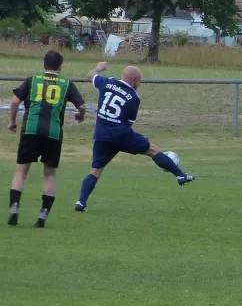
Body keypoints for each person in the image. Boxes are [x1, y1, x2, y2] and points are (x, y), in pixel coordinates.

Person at [75, 62, 195, 212]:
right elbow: (129, 124)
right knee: (152, 150)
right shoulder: (133, 97)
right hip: (121, 134)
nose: (139, 84)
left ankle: (81, 203)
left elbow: (90, 75)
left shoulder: (106, 82)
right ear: (133, 81)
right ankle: (180, 175)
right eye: (139, 81)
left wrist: (99, 68)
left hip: (102, 135)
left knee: (95, 171)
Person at [7, 50, 86, 228]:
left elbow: (14, 102)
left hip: (30, 129)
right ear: (60, 66)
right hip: (53, 133)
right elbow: (81, 105)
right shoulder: (67, 84)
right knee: (49, 174)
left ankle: (14, 206)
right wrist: (80, 116)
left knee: (21, 171)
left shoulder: (32, 79)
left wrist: (12, 123)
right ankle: (43, 213)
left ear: (44, 65)